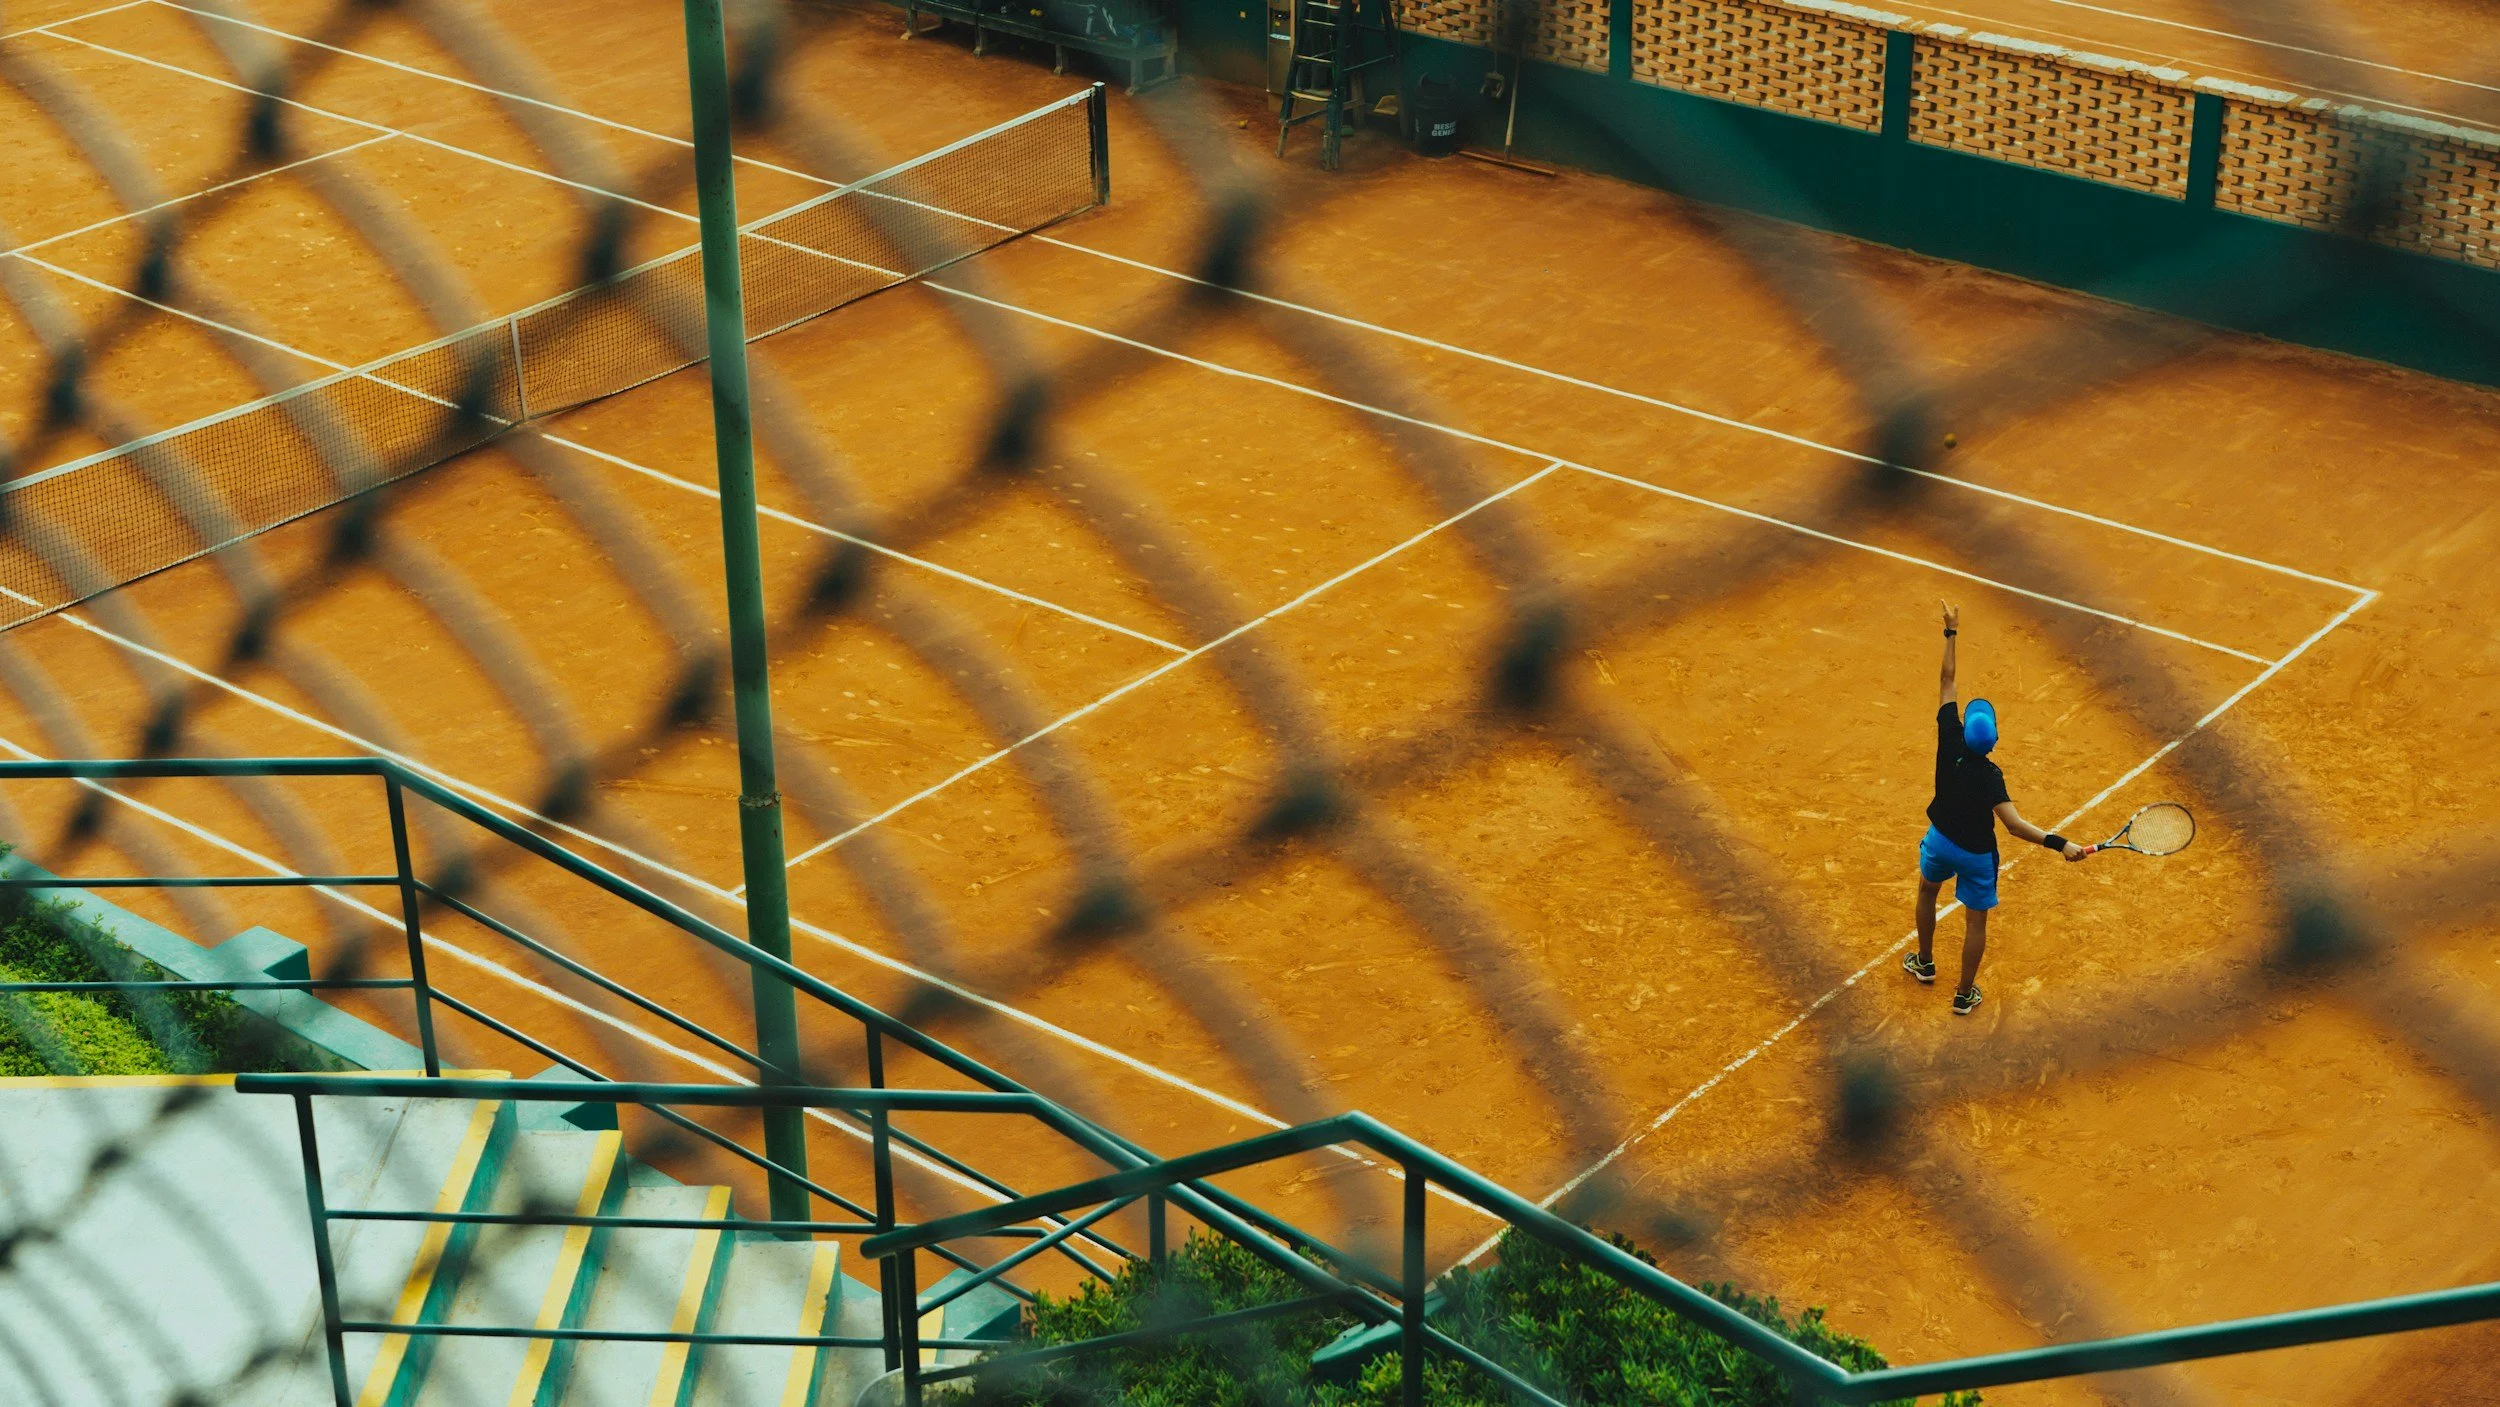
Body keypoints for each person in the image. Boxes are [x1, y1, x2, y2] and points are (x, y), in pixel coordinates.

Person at [1904, 603, 2088, 1014]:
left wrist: (1951, 632)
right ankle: (1963, 993)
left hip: (1939, 842)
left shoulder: (1949, 736)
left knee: (1927, 890)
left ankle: (1925, 962)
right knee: (1975, 922)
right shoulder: (1991, 776)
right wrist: (2061, 844)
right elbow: (2015, 826)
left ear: (1965, 728)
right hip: (1975, 856)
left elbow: (1947, 679)